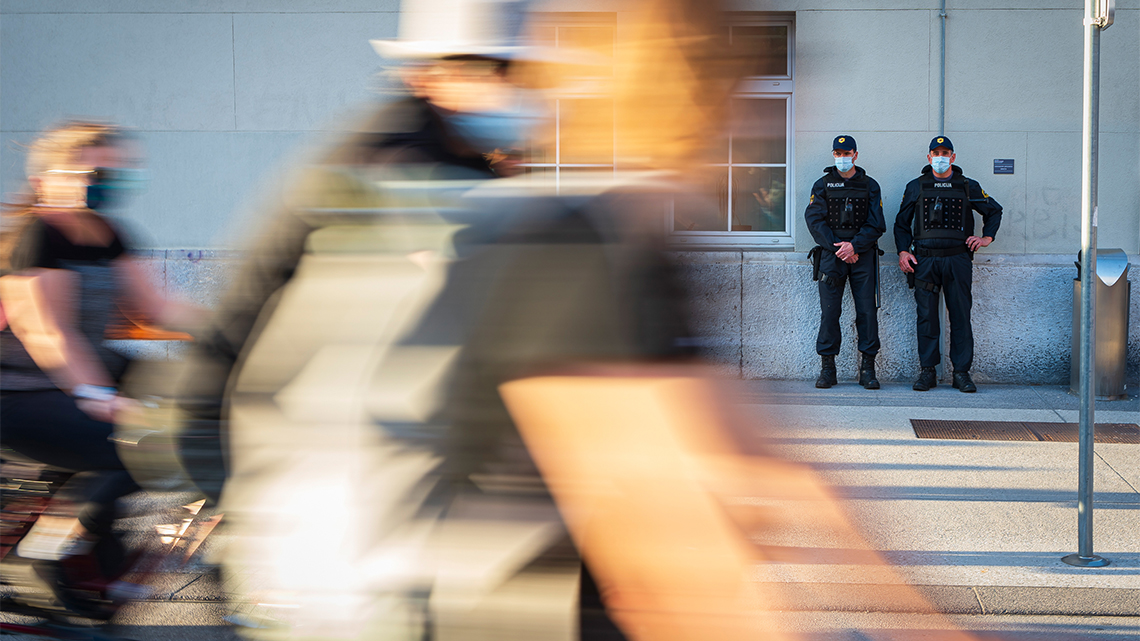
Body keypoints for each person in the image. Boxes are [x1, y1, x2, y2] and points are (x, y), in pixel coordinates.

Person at [0, 121, 202, 613]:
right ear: (52, 177)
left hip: (77, 378)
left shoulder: (108, 232)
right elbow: (48, 332)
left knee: (195, 411)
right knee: (144, 446)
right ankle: (49, 550)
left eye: (117, 172)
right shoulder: (37, 235)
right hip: (23, 393)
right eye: (95, 171)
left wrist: (243, 328)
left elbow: (160, 308)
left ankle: (82, 557)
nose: (106, 182)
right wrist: (101, 398)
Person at [894, 136, 1002, 393]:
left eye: (945, 152)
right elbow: (901, 223)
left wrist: (986, 238)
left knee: (961, 316)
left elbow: (994, 210)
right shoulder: (916, 186)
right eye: (936, 152)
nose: (940, 157)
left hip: (957, 259)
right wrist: (902, 252)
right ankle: (927, 372)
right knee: (927, 317)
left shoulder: (967, 185)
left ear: (953, 157)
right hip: (925, 260)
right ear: (929, 156)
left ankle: (961, 373)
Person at [804, 135, 885, 389]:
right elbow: (814, 221)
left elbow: (876, 223)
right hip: (832, 256)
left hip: (863, 256)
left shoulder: (870, 185)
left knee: (867, 313)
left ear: (855, 154)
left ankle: (868, 370)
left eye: (846, 153)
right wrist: (841, 248)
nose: (842, 158)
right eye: (837, 154)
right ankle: (828, 369)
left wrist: (855, 246)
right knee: (830, 313)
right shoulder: (822, 185)